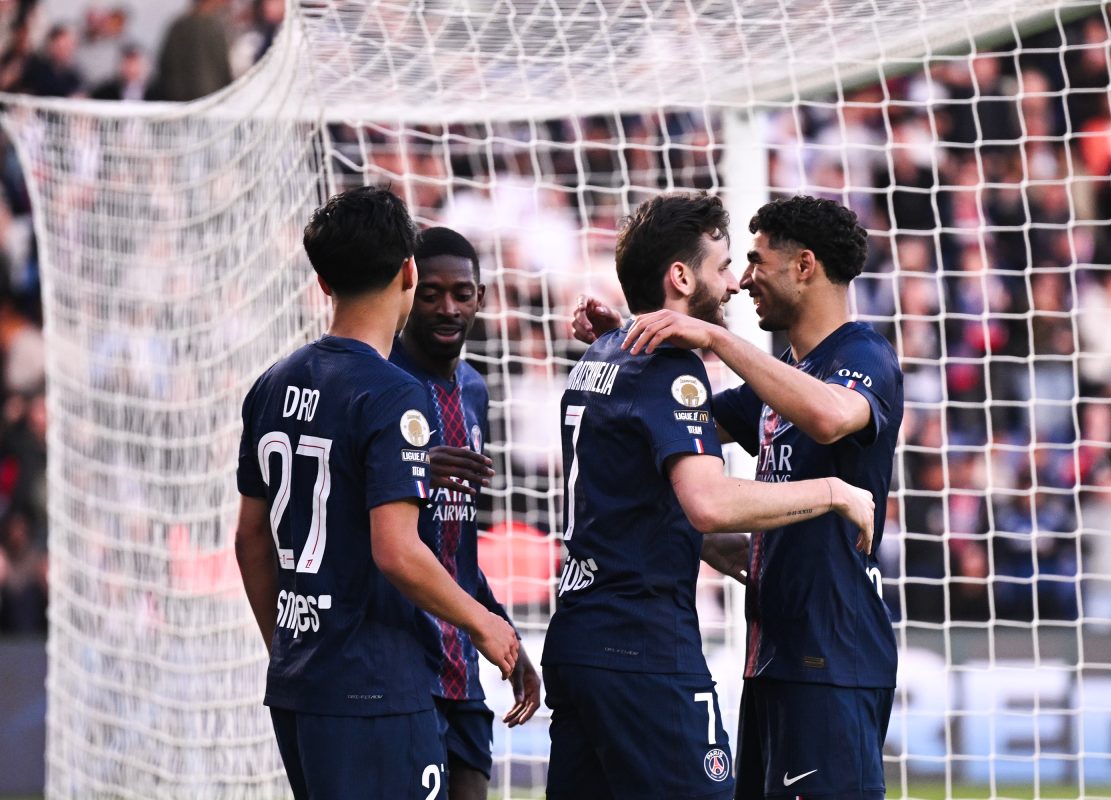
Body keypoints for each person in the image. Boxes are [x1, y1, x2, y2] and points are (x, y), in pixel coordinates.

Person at [544, 192, 877, 800]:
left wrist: (626, 341)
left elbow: (828, 417)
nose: (735, 283)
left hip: (586, 639)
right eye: (726, 266)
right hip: (644, 644)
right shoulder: (666, 369)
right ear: (680, 277)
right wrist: (834, 492)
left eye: (749, 264)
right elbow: (707, 502)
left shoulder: (862, 356)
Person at [234, 187, 519, 800]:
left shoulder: (270, 384)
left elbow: (249, 538)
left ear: (322, 282)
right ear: (408, 272)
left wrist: (288, 648)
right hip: (377, 686)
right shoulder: (393, 394)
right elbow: (396, 550)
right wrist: (484, 624)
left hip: (301, 685)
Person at [389, 226, 541, 800]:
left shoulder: (474, 390)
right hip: (399, 665)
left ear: (481, 297)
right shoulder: (381, 382)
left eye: (461, 293)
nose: (447, 308)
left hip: (461, 665)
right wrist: (411, 466)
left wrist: (504, 636)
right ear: (408, 293)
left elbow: (457, 548)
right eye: (430, 294)